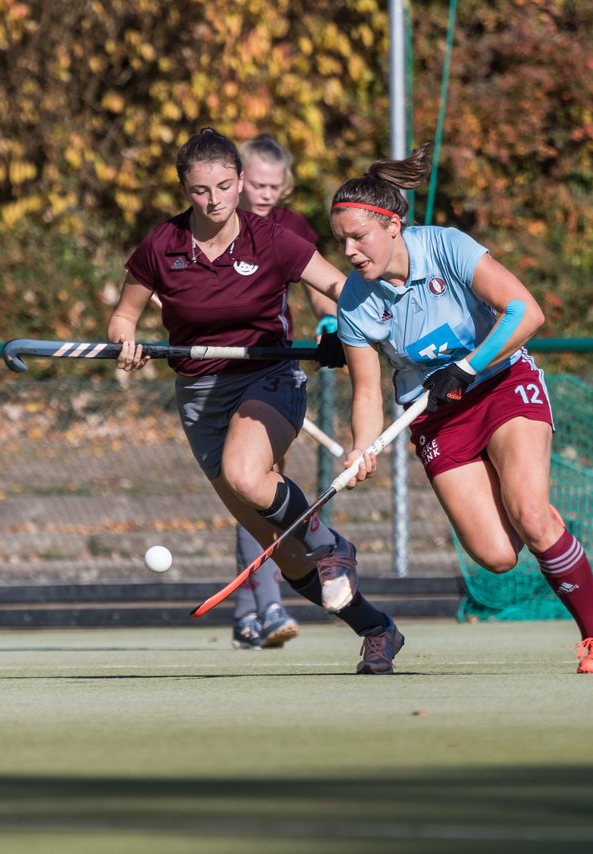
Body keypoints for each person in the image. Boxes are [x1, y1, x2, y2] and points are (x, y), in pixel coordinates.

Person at [110, 127, 404, 674]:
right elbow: (125, 314)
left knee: (246, 475)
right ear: (185, 190)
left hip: (267, 377)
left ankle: (333, 542)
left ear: (241, 182)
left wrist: (351, 330)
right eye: (201, 190)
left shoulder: (271, 240)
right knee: (283, 550)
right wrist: (124, 341)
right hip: (199, 396)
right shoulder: (162, 246)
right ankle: (375, 627)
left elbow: (343, 288)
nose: (215, 199)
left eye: (225, 185)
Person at [329, 142, 593, 674]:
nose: (350, 252)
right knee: (496, 556)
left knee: (531, 516)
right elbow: (368, 392)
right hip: (435, 414)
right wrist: (361, 447)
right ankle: (548, 532)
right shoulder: (355, 300)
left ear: (392, 224)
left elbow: (527, 312)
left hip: (501, 385)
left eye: (359, 237)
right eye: (342, 241)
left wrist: (466, 368)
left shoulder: (448, 247)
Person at [223, 133, 340, 651]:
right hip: (215, 370)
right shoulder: (209, 226)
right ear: (239, 180)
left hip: (271, 367)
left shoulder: (291, 229)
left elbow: (321, 289)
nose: (267, 194)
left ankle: (262, 608)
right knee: (245, 486)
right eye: (258, 184)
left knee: (257, 482)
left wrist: (331, 325)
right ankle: (253, 609)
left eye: (277, 185)